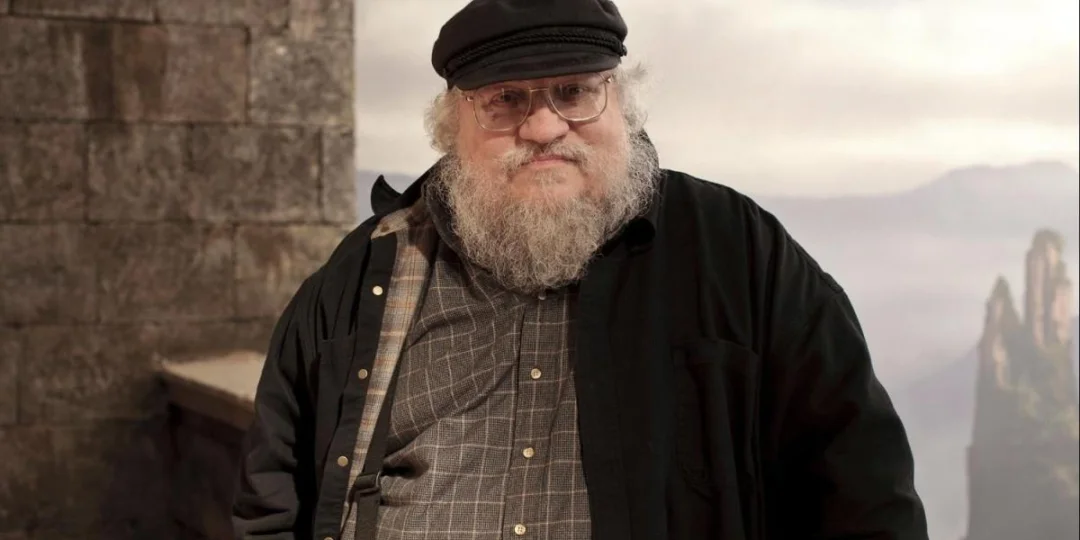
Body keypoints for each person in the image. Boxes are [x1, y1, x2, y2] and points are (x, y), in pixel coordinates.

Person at [231, 0, 930, 538]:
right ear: (452, 125)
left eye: (572, 92)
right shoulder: (363, 276)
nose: (543, 128)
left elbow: (864, 492)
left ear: (622, 100)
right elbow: (272, 497)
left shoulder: (740, 255)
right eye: (506, 99)